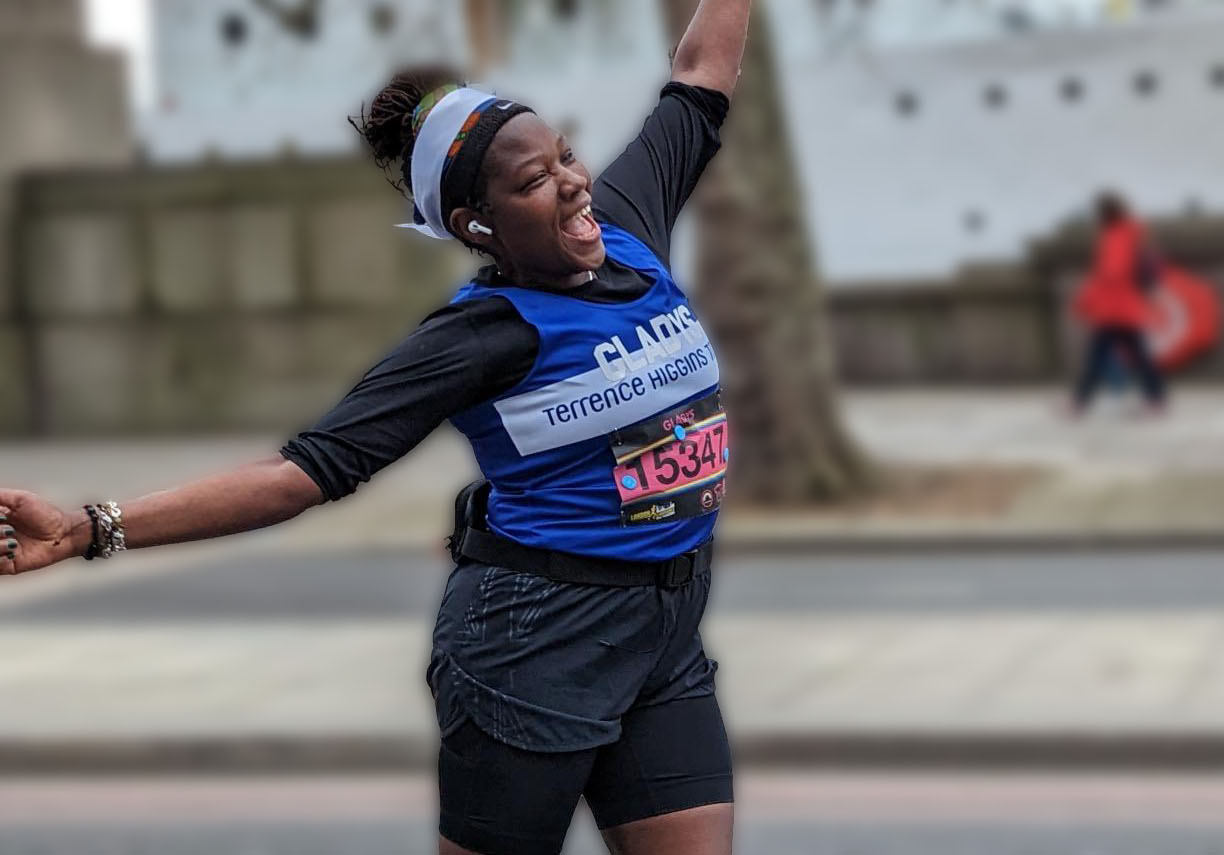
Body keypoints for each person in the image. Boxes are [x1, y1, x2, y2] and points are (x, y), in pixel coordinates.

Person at [0, 2, 751, 853]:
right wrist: (90, 527)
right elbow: (301, 472)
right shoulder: (480, 335)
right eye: (533, 181)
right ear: (478, 227)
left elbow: (697, 77)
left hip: (665, 625)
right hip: (536, 641)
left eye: (565, 156)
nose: (573, 183)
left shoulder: (627, 231)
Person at [1069, 192, 1168, 415]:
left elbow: (1110, 273)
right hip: (1126, 307)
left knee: (1098, 357)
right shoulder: (1133, 233)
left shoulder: (1115, 236)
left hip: (1115, 308)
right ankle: (1156, 399)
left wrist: (1084, 300)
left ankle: (1080, 401)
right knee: (1137, 356)